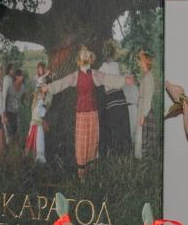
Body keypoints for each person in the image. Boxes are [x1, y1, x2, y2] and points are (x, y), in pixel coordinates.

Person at [43, 46, 134, 178]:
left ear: (90, 60)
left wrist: (124, 80)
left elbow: (109, 79)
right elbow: (62, 83)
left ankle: (91, 172)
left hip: (92, 113)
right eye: (83, 57)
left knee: (92, 141)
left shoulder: (95, 74)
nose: (86, 59)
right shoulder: (75, 76)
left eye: (87, 57)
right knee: (81, 142)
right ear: (79, 61)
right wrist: (48, 87)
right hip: (81, 114)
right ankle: (82, 174)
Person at [99, 40, 133, 158]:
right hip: (120, 96)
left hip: (112, 97)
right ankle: (126, 151)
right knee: (123, 124)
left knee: (115, 125)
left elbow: (100, 81)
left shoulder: (103, 67)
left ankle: (117, 152)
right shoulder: (116, 65)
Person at [134, 50, 156, 159]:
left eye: (141, 60)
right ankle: (140, 156)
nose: (140, 63)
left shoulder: (148, 77)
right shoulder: (146, 76)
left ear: (146, 62)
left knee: (143, 133)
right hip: (142, 107)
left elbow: (148, 97)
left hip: (144, 109)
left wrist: (143, 115)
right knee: (141, 132)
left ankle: (142, 157)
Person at [25, 80, 50, 164]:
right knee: (39, 142)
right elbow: (41, 113)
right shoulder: (40, 101)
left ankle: (31, 159)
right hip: (38, 125)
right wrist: (46, 108)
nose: (44, 95)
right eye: (43, 93)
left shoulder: (34, 102)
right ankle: (39, 160)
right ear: (40, 93)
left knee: (32, 141)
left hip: (33, 125)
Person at [3, 66, 23, 143]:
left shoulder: (21, 86)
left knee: (15, 129)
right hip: (9, 109)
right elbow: (5, 96)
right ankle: (10, 144)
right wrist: (4, 112)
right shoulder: (8, 81)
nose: (13, 71)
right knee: (10, 130)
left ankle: (14, 144)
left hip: (15, 110)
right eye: (12, 70)